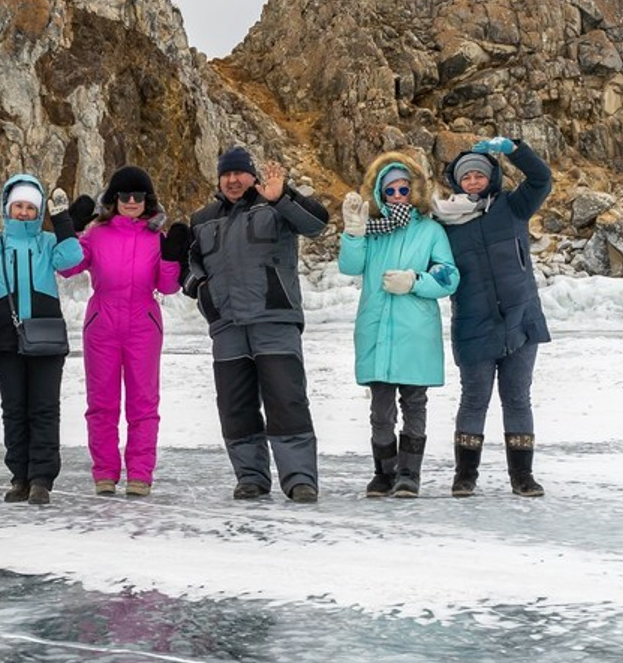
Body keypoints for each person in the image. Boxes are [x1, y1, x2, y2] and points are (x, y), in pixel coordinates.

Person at [184, 146, 329, 502]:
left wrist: (283, 198)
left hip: (274, 318)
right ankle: (250, 476)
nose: (233, 180)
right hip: (227, 327)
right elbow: (191, 266)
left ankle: (299, 479)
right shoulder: (203, 218)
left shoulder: (274, 207)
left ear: (252, 176)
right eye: (226, 174)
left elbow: (317, 224)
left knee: (287, 401)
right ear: (219, 178)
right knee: (235, 406)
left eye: (240, 173)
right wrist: (202, 291)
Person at [433, 136, 552, 498]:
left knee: (517, 399)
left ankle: (523, 477)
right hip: (473, 322)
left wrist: (515, 149)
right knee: (474, 399)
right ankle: (465, 476)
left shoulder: (512, 207)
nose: (472, 182)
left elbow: (541, 179)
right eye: (465, 177)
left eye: (478, 176)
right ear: (456, 181)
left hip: (521, 318)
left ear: (490, 178)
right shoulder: (445, 222)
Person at [338, 154, 459, 498]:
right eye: (389, 189)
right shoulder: (372, 232)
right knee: (380, 410)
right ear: (379, 193)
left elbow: (449, 275)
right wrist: (353, 233)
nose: (397, 194)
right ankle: (384, 472)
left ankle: (409, 473)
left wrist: (415, 281)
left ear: (414, 190)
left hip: (415, 331)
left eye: (403, 188)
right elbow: (350, 266)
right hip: (376, 328)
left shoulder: (431, 230)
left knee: (414, 403)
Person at [63, 166, 188, 496]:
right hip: (102, 323)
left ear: (148, 200)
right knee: (101, 403)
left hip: (143, 324)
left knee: (143, 404)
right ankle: (104, 471)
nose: (131, 201)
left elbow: (168, 286)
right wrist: (70, 230)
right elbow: (67, 266)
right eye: (124, 196)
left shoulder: (155, 237)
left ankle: (140, 474)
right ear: (113, 200)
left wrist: (172, 257)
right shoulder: (96, 234)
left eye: (138, 196)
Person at [0, 174, 84, 506]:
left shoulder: (48, 242)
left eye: (30, 207)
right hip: (4, 338)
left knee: (45, 408)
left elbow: (72, 259)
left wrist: (62, 220)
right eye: (17, 205)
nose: (23, 212)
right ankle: (19, 476)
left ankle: (42, 479)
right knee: (15, 409)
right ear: (8, 207)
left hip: (46, 337)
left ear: (38, 210)